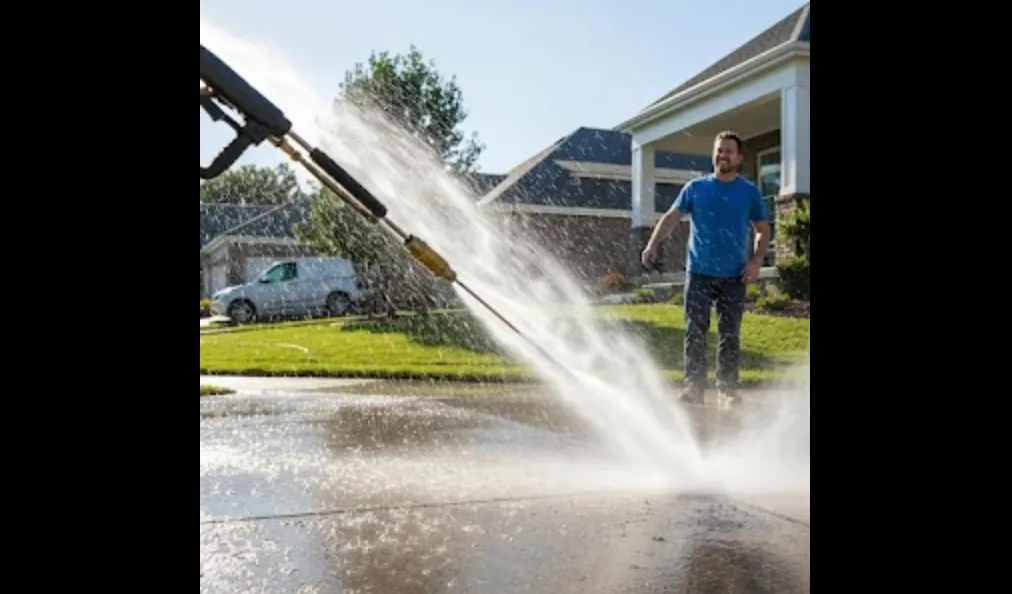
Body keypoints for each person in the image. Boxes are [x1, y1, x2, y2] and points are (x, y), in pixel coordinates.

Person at [641, 130, 771, 407]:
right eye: (718, 149)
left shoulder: (749, 192)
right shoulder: (695, 188)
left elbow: (762, 230)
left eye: (728, 151)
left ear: (739, 158)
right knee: (695, 331)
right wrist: (652, 245)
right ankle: (694, 387)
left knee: (729, 334)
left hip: (734, 275)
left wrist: (756, 260)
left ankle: (727, 389)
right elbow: (670, 218)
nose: (722, 155)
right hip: (699, 272)